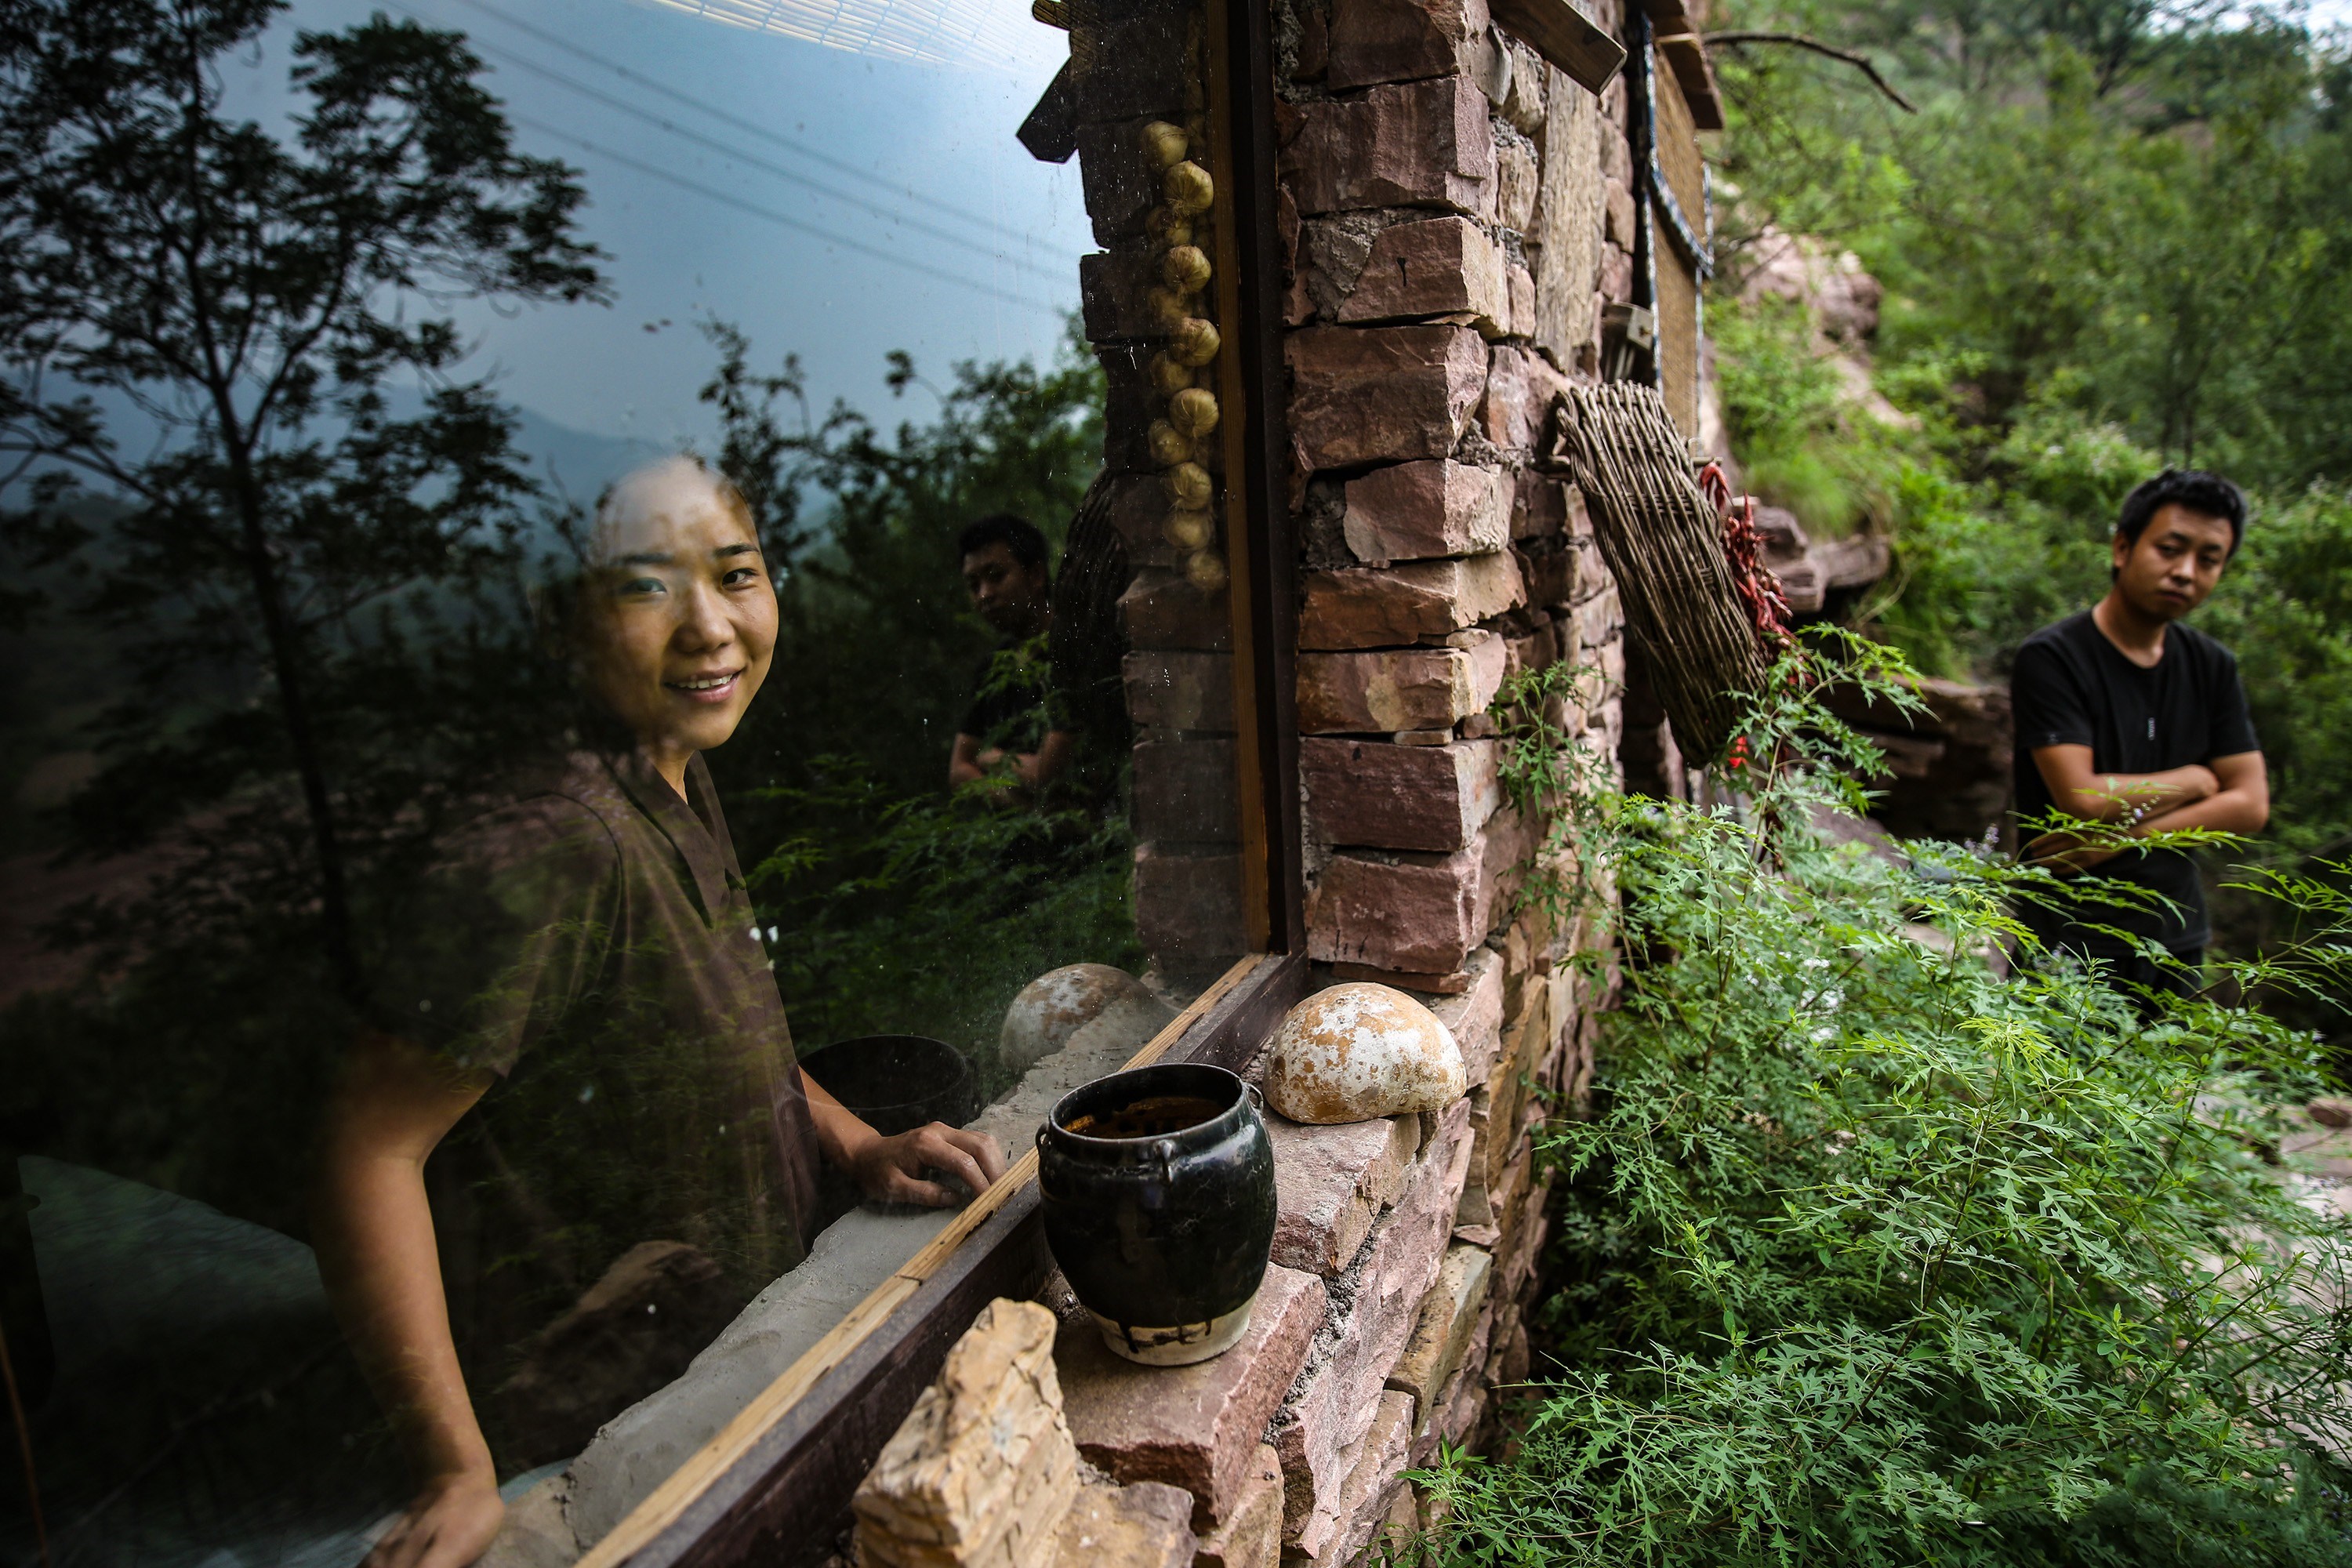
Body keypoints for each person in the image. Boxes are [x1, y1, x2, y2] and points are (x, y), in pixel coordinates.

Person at [313, 456, 1007, 1568]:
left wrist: (860, 1143)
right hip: (590, 1434)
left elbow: (742, 1028)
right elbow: (364, 1151)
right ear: (570, 626)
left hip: (717, 1359)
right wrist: (454, 1468)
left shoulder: (676, 764)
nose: (708, 627)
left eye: (735, 574)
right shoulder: (557, 843)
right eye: (647, 588)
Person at [2010, 468, 2270, 1000]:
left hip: (2175, 942)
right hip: (2070, 936)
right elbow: (2081, 797)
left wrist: (2126, 838)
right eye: (2171, 549)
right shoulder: (2054, 659)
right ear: (2123, 548)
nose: (2185, 572)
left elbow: (2250, 803)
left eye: (2209, 559)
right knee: (2042, 1086)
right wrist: (2197, 781)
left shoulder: (2211, 667)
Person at [948, 514, 1072, 795]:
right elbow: (957, 770)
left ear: (1036, 575)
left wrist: (989, 758)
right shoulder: (994, 666)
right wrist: (1018, 804)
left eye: (996, 576)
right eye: (973, 585)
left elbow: (1047, 774)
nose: (984, 595)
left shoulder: (1071, 652)